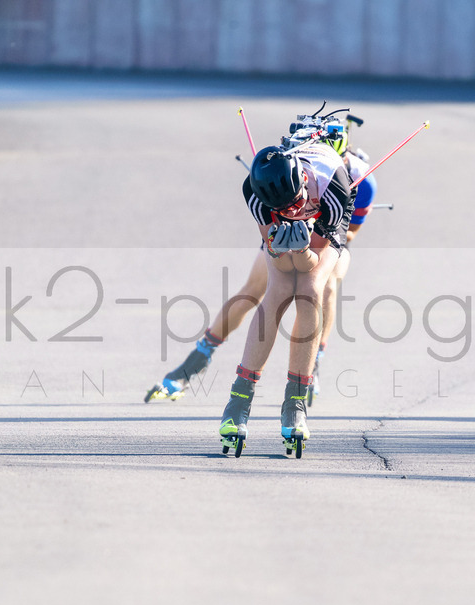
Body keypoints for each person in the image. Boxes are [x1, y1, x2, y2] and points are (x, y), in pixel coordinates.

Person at [143, 121, 377, 404]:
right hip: (286, 224)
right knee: (255, 288)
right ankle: (197, 359)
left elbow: (350, 232)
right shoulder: (286, 166)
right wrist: (285, 235)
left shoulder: (359, 179)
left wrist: (312, 230)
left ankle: (314, 360)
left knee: (324, 285)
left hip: (328, 232)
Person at [216, 127, 360, 449]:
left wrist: (303, 248)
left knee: (309, 291)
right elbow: (281, 266)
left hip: (325, 216)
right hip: (285, 218)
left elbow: (310, 264)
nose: (294, 213)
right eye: (285, 210)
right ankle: (238, 403)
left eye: (296, 204)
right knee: (278, 292)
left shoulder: (335, 185)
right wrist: (280, 248)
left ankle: (294, 404)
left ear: (303, 182)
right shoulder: (255, 194)